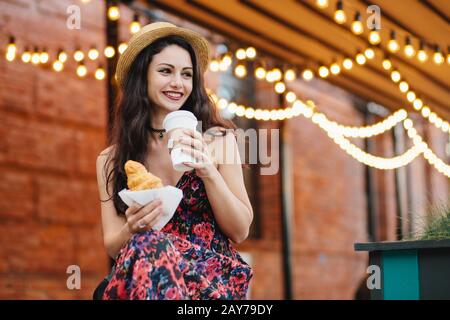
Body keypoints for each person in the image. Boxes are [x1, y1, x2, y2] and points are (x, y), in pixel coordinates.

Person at [95, 22, 254, 300]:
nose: (178, 83)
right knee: (147, 243)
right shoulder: (111, 159)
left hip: (209, 276)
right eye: (165, 71)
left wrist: (209, 173)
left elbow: (240, 230)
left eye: (187, 74)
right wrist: (132, 227)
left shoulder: (217, 141)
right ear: (141, 77)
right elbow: (112, 245)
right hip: (146, 270)